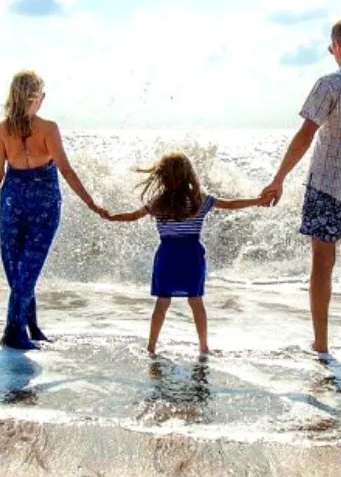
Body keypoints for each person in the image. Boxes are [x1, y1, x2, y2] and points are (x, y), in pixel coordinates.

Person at [261, 18, 341, 357]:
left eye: (332, 48)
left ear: (339, 45)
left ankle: (321, 344)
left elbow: (304, 136)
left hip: (328, 185)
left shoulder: (331, 84)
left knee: (322, 263)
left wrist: (279, 178)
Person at [103, 151, 271, 355]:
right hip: (192, 255)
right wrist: (257, 201)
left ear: (162, 177)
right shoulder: (201, 200)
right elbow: (230, 204)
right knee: (196, 301)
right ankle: (203, 347)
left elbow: (132, 216)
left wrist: (110, 216)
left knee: (162, 302)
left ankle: (151, 347)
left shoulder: (158, 202)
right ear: (189, 175)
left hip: (168, 255)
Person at [0, 70, 106, 351]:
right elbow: (65, 169)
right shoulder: (48, 128)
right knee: (25, 269)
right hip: (43, 203)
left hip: (13, 201)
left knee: (21, 269)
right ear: (37, 98)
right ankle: (14, 331)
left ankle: (30, 326)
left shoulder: (3, 128)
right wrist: (91, 202)